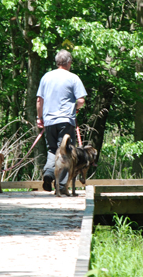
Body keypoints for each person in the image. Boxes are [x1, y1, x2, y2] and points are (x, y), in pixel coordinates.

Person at [36, 49, 87, 192]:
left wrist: (40, 119)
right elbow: (81, 100)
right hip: (66, 121)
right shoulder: (73, 78)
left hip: (49, 121)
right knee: (65, 152)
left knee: (53, 150)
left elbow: (39, 101)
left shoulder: (46, 77)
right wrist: (75, 107)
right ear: (69, 62)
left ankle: (48, 173)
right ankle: (63, 186)